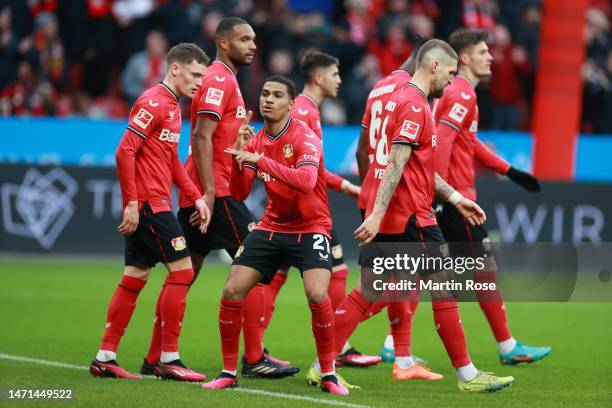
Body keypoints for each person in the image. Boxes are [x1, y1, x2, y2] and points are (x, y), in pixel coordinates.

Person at [343, 39, 515, 392]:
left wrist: (451, 197)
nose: (452, 82)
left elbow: (392, 157)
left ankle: (325, 362)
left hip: (389, 203)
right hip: (410, 212)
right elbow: (399, 161)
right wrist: (376, 212)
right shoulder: (415, 103)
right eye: (450, 73)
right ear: (432, 65)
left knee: (372, 289)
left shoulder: (386, 93)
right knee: (439, 288)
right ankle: (466, 374)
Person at [141, 17, 298, 379]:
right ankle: (255, 356)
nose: (253, 45)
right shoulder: (216, 78)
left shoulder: (229, 82)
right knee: (259, 261)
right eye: (245, 39)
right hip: (214, 194)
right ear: (224, 43)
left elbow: (215, 141)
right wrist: (209, 193)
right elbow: (199, 136)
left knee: (185, 273)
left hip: (206, 193)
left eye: (254, 39)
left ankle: (154, 358)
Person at [202, 75, 349, 395]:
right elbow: (239, 193)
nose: (268, 99)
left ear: (291, 104)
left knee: (317, 295)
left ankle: (329, 374)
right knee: (231, 291)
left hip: (311, 228)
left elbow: (307, 181)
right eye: (265, 93)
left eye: (277, 95)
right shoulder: (254, 140)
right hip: (272, 227)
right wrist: (239, 156)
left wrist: (260, 160)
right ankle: (228, 371)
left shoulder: (303, 136)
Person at [89, 43, 211, 382]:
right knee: (183, 272)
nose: (200, 82)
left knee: (134, 278)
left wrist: (195, 196)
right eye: (195, 74)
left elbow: (171, 160)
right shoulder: (154, 101)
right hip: (150, 206)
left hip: (153, 203)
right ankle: (169, 358)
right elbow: (124, 150)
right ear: (175, 69)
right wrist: (131, 202)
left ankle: (105, 356)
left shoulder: (173, 106)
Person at [433, 28, 550, 365]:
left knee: (429, 271)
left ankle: (393, 346)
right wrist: (443, 194)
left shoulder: (456, 91)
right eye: (483, 52)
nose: (491, 57)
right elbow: (441, 143)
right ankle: (507, 346)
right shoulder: (463, 94)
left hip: (452, 196)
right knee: (482, 270)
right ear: (465, 58)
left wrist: (509, 171)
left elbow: (469, 143)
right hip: (458, 199)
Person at [264, 50, 380, 371]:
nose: (340, 79)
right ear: (318, 77)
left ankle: (259, 352)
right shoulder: (301, 111)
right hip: (303, 212)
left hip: (303, 208)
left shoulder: (308, 110)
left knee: (281, 276)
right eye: (335, 73)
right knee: (324, 274)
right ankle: (332, 349)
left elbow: (311, 166)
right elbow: (293, 164)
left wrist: (345, 186)